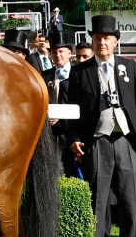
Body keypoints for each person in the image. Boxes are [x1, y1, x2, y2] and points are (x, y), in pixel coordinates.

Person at [66, 14, 136, 237]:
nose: (101, 42)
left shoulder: (129, 67)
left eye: (106, 38)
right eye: (97, 38)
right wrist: (74, 138)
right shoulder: (79, 71)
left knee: (130, 200)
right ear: (93, 41)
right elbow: (72, 110)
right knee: (98, 201)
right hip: (97, 142)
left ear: (115, 41)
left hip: (127, 142)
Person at [43, 34, 76, 177]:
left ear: (70, 53)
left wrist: (62, 118)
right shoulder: (44, 76)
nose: (58, 55)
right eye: (54, 52)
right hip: (51, 133)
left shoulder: (80, 73)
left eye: (61, 51)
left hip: (73, 131)